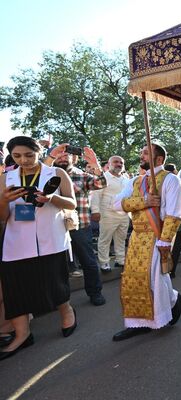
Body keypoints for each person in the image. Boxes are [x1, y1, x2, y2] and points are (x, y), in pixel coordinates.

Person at [0, 136, 78, 361]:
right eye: (17, 156)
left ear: (39, 152)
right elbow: (3, 218)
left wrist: (52, 198)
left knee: (55, 281)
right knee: (16, 288)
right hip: (17, 243)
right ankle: (22, 335)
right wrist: (4, 200)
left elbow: (71, 203)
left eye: (29, 155)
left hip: (51, 239)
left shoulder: (56, 173)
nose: (23, 160)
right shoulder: (6, 178)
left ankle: (67, 313)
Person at [111, 143, 181, 341]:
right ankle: (137, 322)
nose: (141, 155)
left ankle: (163, 312)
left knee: (155, 279)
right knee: (133, 278)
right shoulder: (135, 181)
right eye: (141, 152)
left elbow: (174, 213)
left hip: (156, 235)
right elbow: (116, 204)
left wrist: (165, 240)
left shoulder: (170, 179)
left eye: (146, 153)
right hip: (136, 237)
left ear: (159, 159)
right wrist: (144, 201)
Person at [46, 144, 108, 306]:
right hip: (53, 227)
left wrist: (95, 165)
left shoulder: (82, 176)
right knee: (55, 265)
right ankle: (58, 299)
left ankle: (95, 293)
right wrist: (51, 156)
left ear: (74, 158)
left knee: (88, 261)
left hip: (80, 226)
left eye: (66, 155)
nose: (63, 157)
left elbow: (102, 183)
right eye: (59, 155)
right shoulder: (46, 174)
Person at [90, 156, 130, 273]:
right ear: (109, 163)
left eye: (121, 162)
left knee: (121, 238)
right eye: (116, 162)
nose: (119, 164)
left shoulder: (126, 179)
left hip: (123, 214)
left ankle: (120, 260)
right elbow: (96, 195)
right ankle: (104, 263)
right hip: (107, 213)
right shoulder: (103, 177)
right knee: (105, 239)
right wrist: (95, 211)